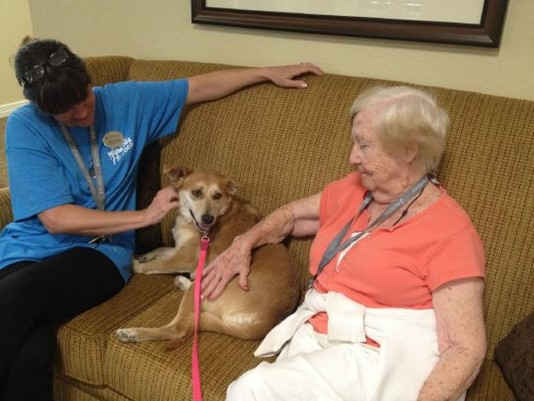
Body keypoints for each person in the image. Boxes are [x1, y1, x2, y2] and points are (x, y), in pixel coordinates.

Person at [0, 37, 322, 401]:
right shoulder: (25, 126)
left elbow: (198, 86)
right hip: (30, 247)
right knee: (29, 339)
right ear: (43, 111)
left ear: (89, 81)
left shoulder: (126, 100)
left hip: (98, 254)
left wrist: (265, 72)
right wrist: (144, 216)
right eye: (66, 113)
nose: (82, 114)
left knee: (16, 298)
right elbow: (57, 219)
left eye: (84, 99)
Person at [202, 86, 487, 401]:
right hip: (320, 338)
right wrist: (244, 242)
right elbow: (291, 217)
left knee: (251, 390)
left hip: (380, 357)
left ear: (408, 150)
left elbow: (466, 348)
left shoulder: (449, 230)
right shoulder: (355, 189)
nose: (352, 157)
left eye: (364, 145)